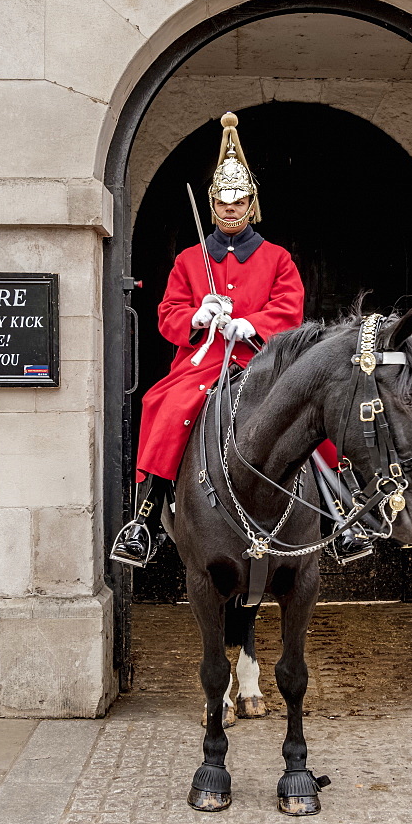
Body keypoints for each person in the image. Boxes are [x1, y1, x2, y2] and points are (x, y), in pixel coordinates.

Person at [111, 112, 305, 567]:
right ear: (212, 205)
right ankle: (143, 520)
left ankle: (342, 510)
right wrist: (199, 317)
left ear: (251, 204)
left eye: (239, 203)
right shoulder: (188, 260)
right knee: (163, 404)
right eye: (223, 203)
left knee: (312, 406)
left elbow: (290, 309)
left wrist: (252, 324)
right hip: (203, 362)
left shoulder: (277, 258)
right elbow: (167, 315)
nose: (231, 210)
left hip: (263, 360)